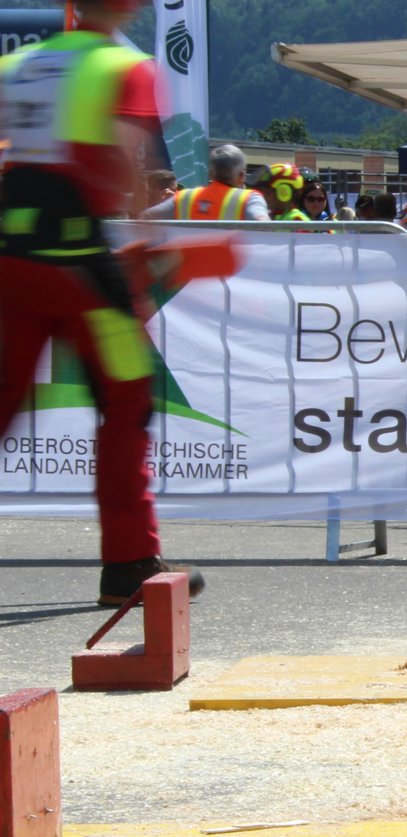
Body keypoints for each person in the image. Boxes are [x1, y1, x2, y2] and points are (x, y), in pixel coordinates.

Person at [0, 0, 203, 605]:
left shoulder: (18, 64)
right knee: (127, 398)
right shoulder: (124, 67)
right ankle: (130, 564)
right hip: (78, 266)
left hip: (10, 256)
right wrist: (146, 236)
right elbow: (124, 162)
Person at [143, 143, 269, 221]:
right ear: (242, 176)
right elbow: (264, 226)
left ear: (211, 173)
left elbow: (146, 217)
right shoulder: (250, 199)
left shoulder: (184, 198)